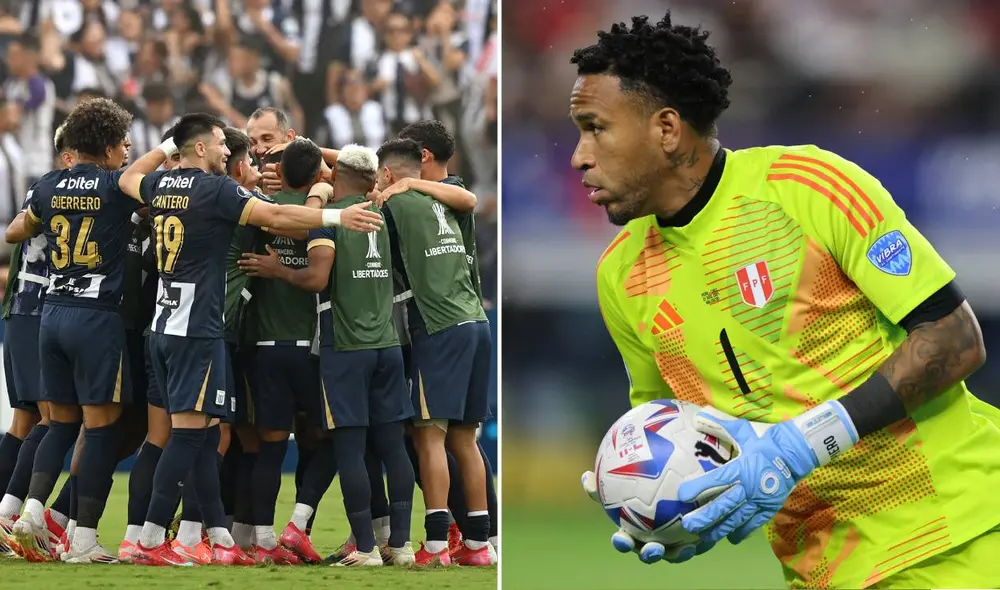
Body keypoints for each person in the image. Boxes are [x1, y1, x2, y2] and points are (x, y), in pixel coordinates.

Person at [573, 12, 1000, 589]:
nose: (579, 155)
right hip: (820, 571)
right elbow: (687, 432)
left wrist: (802, 443)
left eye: (595, 127)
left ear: (667, 129)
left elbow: (954, 339)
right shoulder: (620, 276)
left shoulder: (807, 187)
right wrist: (667, 505)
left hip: (959, 532)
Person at [117, 112, 381, 566]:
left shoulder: (161, 186)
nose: (228, 149)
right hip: (197, 330)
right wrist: (337, 216)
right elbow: (276, 214)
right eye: (221, 142)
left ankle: (216, 536)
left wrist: (166, 147)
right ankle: (149, 538)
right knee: (187, 436)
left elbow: (128, 177)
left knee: (201, 435)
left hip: (163, 328)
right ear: (200, 148)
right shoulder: (217, 190)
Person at [240, 143, 417, 567]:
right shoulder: (385, 213)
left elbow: (318, 278)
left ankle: (368, 550)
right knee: (393, 447)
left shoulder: (330, 222)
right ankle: (404, 546)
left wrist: (277, 269)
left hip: (347, 347)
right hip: (388, 345)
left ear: (335, 178)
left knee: (351, 448)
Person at [8, 98, 137, 564]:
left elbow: (18, 231)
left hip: (51, 315)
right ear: (105, 147)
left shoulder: (46, 186)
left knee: (58, 423)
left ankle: (28, 516)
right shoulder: (117, 186)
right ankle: (82, 542)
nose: (126, 152)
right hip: (96, 316)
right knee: (101, 430)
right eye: (120, 144)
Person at [377, 138, 493, 567]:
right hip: (477, 323)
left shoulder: (393, 205)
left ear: (388, 175)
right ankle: (480, 546)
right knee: (466, 440)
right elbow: (469, 197)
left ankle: (437, 545)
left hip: (438, 327)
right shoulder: (446, 200)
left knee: (429, 436)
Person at [0, 123, 71, 556]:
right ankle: (14, 515)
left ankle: (5, 516)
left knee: (25, 421)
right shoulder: (52, 190)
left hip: (26, 311)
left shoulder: (42, 189)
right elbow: (14, 231)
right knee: (47, 418)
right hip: (36, 310)